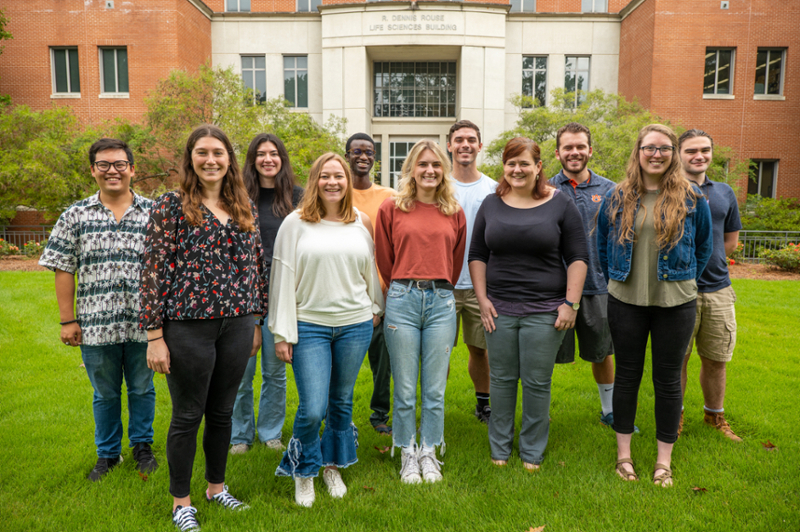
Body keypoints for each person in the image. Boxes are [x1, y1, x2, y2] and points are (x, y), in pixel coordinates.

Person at [141, 124, 266, 530]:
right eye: (202, 153)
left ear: (230, 159)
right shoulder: (170, 207)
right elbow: (153, 273)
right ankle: (182, 503)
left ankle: (217, 487)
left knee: (223, 412)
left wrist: (257, 320)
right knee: (188, 414)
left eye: (218, 153)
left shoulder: (242, 205)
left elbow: (256, 268)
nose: (210, 160)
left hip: (238, 323)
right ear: (190, 158)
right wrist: (155, 337)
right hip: (188, 327)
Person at [597, 124, 712, 487]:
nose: (657, 154)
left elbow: (704, 249)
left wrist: (684, 279)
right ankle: (624, 457)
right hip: (626, 302)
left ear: (673, 153)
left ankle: (664, 462)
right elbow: (603, 247)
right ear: (639, 151)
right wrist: (618, 278)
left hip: (675, 304)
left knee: (667, 381)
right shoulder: (617, 197)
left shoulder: (692, 199)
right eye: (650, 148)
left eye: (664, 148)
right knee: (627, 378)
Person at [39, 138, 158, 482]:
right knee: (105, 392)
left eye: (120, 164)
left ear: (132, 169)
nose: (112, 171)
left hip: (144, 323)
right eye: (104, 165)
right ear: (93, 170)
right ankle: (107, 454)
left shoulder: (154, 213)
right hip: (95, 325)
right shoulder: (75, 215)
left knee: (142, 388)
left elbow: (167, 267)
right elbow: (64, 268)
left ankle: (142, 447)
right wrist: (68, 320)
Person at [269, 152, 383, 507]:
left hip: (355, 325)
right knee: (313, 407)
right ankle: (304, 470)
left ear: (348, 182)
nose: (332, 182)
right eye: (325, 176)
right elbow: (282, 278)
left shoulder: (360, 222)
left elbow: (370, 269)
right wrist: (282, 332)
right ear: (315, 180)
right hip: (310, 327)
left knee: (341, 401)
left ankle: (332, 465)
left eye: (339, 176)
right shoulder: (295, 223)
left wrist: (375, 308)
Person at [470, 137, 588, 472]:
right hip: (499, 309)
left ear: (538, 167)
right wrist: (482, 300)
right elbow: (477, 254)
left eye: (524, 163)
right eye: (511, 163)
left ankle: (532, 450)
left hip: (545, 309)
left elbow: (578, 256)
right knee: (503, 380)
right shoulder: (491, 204)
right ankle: (500, 448)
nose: (517, 169)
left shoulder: (560, 203)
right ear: (504, 168)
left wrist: (570, 304)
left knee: (537, 382)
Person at [375, 139, 467, 484]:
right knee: (403, 387)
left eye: (436, 165)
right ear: (412, 169)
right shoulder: (392, 208)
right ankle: (406, 451)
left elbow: (455, 262)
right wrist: (401, 288)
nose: (429, 170)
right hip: (402, 298)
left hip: (442, 301)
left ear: (444, 170)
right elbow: (384, 259)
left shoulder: (453, 211)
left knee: (434, 388)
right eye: (423, 164)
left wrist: (437, 286)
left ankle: (429, 450)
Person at [230, 134, 303, 455]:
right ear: (252, 160)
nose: (268, 159)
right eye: (261, 154)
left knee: (275, 370)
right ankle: (239, 435)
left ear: (282, 159)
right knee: (241, 372)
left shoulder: (297, 198)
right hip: (244, 296)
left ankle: (271, 432)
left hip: (283, 293)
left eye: (274, 154)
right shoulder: (238, 197)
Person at [549, 122, 619, 427]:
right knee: (543, 355)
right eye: (568, 147)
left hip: (599, 287)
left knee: (602, 353)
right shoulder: (545, 189)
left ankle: (609, 411)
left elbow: (622, 238)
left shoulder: (610, 190)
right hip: (552, 288)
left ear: (590, 150)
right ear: (558, 153)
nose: (574, 152)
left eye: (580, 146)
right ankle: (540, 414)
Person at [678, 129, 743, 441]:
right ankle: (673, 417)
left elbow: (730, 241)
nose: (698, 155)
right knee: (677, 359)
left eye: (704, 150)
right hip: (677, 290)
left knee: (717, 359)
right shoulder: (668, 190)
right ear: (679, 154)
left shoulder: (724, 192)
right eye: (691, 150)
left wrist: (707, 262)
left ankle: (714, 416)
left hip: (717, 288)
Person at [447, 120, 497, 424]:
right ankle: (433, 403)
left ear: (480, 146)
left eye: (471, 140)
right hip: (444, 284)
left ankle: (483, 403)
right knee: (437, 353)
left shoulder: (493, 189)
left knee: (479, 349)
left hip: (482, 286)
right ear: (450, 145)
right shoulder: (439, 185)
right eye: (459, 140)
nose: (465, 144)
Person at [346, 133, 395, 436]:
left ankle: (380, 415)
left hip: (383, 286)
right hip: (346, 290)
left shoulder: (388, 195)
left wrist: (386, 287)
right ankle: (342, 415)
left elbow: (393, 243)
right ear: (347, 154)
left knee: (383, 361)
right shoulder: (336, 191)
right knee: (344, 360)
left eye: (369, 152)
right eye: (357, 151)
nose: (363, 157)